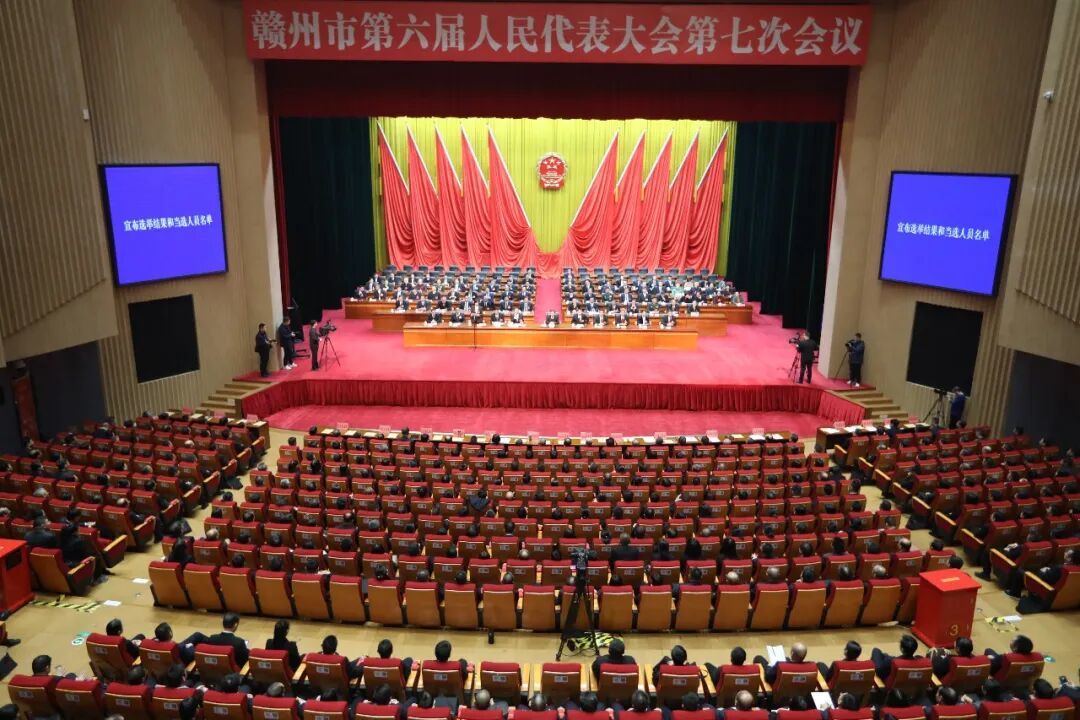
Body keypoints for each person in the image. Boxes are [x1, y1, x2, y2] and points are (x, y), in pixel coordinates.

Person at [180, 612, 249, 667]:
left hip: (213, 669)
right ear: (235, 625)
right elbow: (245, 660)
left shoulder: (212, 639)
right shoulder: (239, 642)